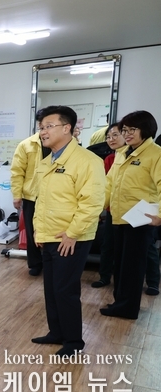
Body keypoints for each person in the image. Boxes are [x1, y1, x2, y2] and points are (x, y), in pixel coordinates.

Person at [31, 106, 105, 357]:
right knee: (51, 289)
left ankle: (73, 341)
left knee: (65, 290)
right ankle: (57, 333)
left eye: (48, 126)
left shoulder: (87, 161)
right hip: (49, 235)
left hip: (71, 238)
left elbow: (92, 203)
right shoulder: (47, 162)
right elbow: (42, 201)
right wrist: (38, 231)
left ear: (67, 128)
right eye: (41, 127)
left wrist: (73, 234)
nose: (43, 132)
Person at [101, 111, 161, 319]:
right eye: (124, 130)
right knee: (120, 263)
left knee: (133, 266)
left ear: (146, 129)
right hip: (120, 216)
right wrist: (100, 207)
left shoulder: (156, 154)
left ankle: (128, 308)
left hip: (142, 218)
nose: (126, 134)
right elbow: (109, 183)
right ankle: (120, 302)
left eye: (132, 129)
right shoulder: (123, 152)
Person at [91, 124, 126, 288]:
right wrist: (99, 210)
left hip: (132, 210)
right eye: (108, 137)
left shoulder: (136, 157)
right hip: (112, 209)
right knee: (108, 244)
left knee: (140, 248)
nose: (111, 139)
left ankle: (152, 282)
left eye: (115, 135)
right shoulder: (110, 159)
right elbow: (105, 185)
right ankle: (104, 277)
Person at [10, 131, 48, 276]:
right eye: (43, 125)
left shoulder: (60, 143)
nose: (46, 128)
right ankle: (35, 263)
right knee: (31, 232)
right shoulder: (26, 145)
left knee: (51, 230)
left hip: (53, 195)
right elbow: (17, 172)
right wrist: (17, 195)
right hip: (31, 195)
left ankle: (51, 262)